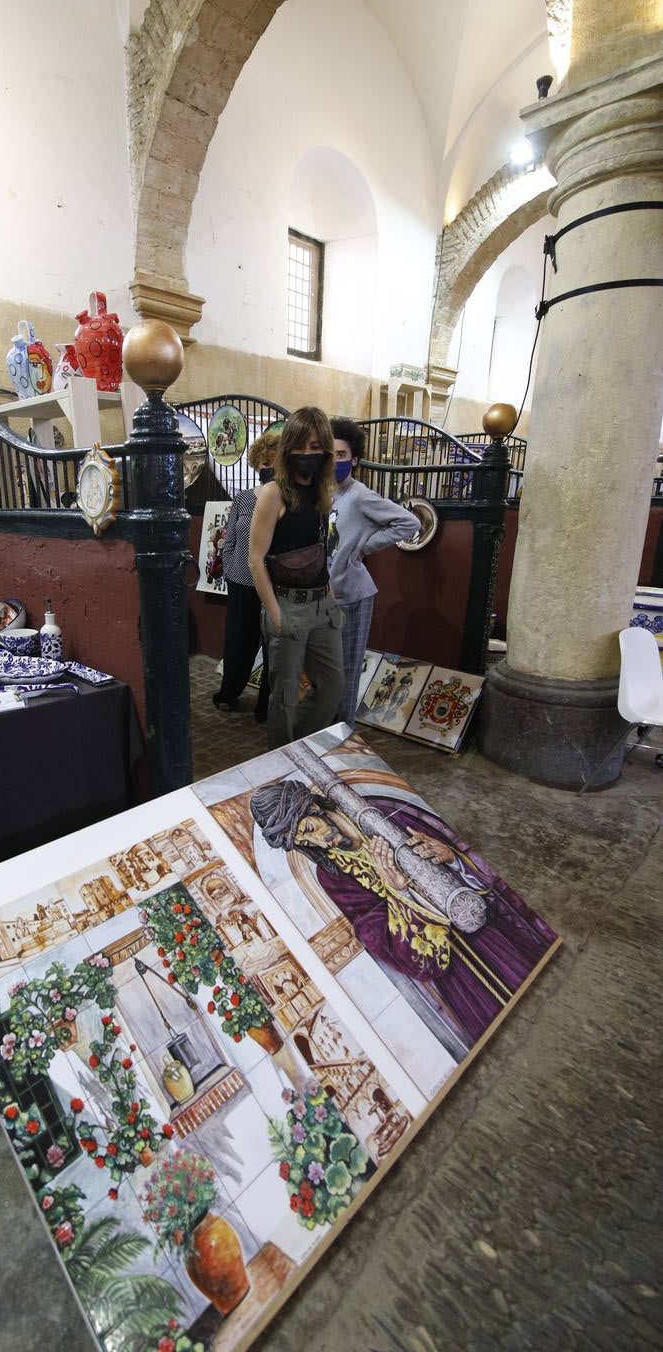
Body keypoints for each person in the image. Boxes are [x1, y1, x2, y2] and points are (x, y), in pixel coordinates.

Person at [249, 778, 556, 1048]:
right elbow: (374, 933)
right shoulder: (332, 875)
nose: (317, 841)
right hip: (455, 971)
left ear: (314, 807)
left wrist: (450, 857)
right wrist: (399, 891)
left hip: (490, 934)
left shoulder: (378, 812)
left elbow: (463, 851)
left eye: (310, 829)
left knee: (546, 993)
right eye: (303, 841)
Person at [248, 407, 344, 749]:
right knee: (284, 696)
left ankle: (298, 748)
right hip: (287, 603)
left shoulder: (322, 492)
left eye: (316, 446)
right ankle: (280, 760)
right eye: (300, 446)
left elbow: (320, 548)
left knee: (332, 689)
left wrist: (329, 595)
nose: (307, 454)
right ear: (288, 448)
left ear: (326, 451)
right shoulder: (274, 493)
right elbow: (256, 559)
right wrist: (274, 614)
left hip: (322, 605)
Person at [328, 417, 419, 724]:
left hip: (353, 594)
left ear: (354, 459)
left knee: (348, 667)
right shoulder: (326, 494)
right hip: (326, 596)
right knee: (327, 669)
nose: (335, 461)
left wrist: (364, 546)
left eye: (341, 455)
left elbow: (410, 523)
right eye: (330, 454)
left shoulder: (360, 495)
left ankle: (345, 731)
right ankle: (328, 727)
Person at [211, 429, 279, 717]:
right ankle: (229, 693)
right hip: (240, 580)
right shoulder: (242, 499)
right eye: (263, 463)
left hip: (273, 584)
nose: (267, 468)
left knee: (273, 646)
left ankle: (267, 705)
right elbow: (230, 538)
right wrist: (228, 567)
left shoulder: (283, 501)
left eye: (273, 463)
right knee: (238, 642)